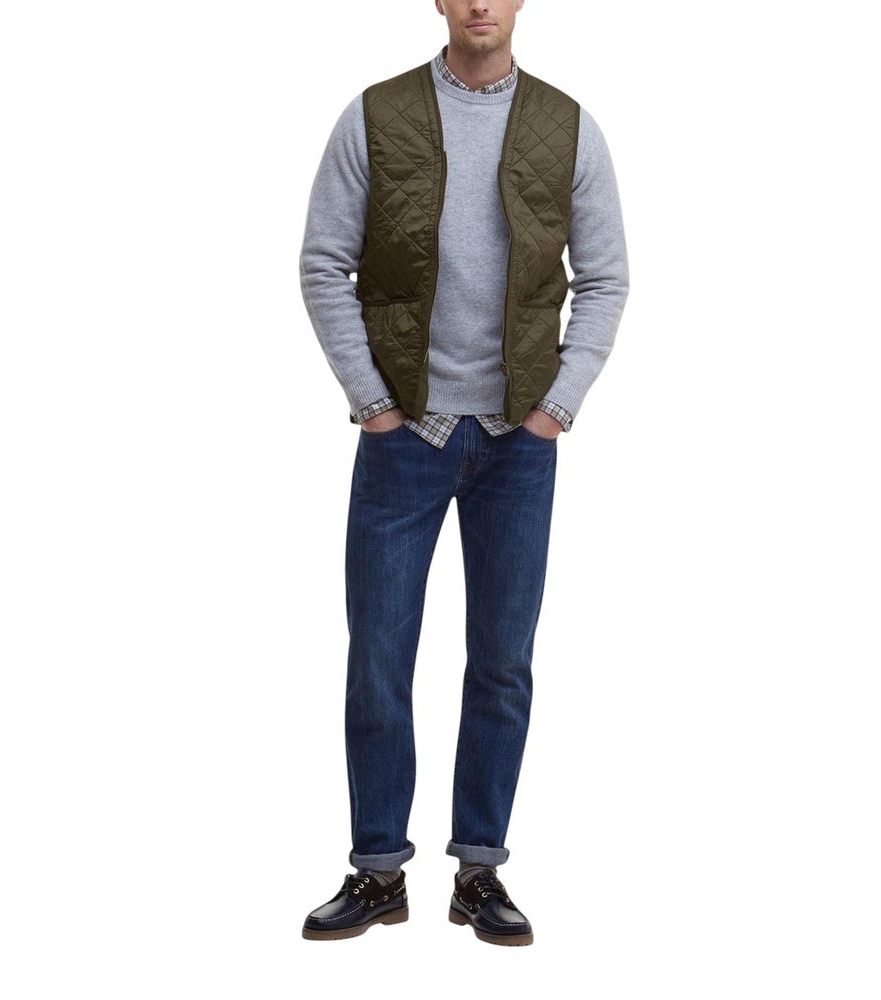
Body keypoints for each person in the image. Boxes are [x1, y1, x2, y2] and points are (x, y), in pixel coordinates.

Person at [298, 0, 629, 946]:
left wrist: (556, 408)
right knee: (378, 658)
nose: (481, 3)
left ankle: (479, 872)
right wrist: (373, 402)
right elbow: (324, 265)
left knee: (502, 664)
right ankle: (378, 871)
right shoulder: (375, 114)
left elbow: (605, 277)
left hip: (519, 444)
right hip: (404, 437)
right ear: (439, 1)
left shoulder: (568, 125)